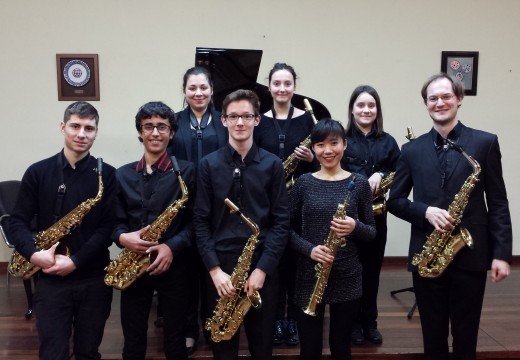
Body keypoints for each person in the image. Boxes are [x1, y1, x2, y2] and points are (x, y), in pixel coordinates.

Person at [387, 73, 513, 360]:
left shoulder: (485, 143)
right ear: (426, 104)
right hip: (427, 255)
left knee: (466, 335)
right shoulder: (411, 150)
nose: (440, 102)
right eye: (433, 98)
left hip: (470, 253)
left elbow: (498, 201)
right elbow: (394, 201)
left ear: (459, 99)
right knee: (432, 336)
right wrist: (425, 211)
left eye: (446, 96)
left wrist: (502, 253)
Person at [9, 101, 116, 360]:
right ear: (62, 127)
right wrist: (35, 255)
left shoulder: (107, 175)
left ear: (96, 132)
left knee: (88, 352)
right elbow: (17, 221)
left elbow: (107, 227)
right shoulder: (38, 172)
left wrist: (76, 261)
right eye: (75, 126)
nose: (81, 134)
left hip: (93, 278)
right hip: (50, 279)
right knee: (52, 353)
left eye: (89, 128)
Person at [194, 89, 290, 360]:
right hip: (221, 269)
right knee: (222, 347)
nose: (240, 123)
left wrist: (263, 269)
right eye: (233, 116)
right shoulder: (207, 165)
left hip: (261, 268)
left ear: (257, 120)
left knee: (262, 347)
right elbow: (200, 221)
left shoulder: (273, 165)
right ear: (222, 120)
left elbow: (281, 223)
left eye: (246, 116)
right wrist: (214, 270)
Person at [112, 101, 196, 360]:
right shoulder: (122, 174)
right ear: (140, 132)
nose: (155, 132)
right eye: (148, 126)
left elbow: (197, 223)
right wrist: (123, 237)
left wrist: (171, 246)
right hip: (134, 264)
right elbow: (115, 222)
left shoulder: (187, 171)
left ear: (172, 133)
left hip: (176, 264)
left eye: (162, 126)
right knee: (133, 339)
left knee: (175, 340)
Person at [289, 119, 376, 360]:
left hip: (347, 275)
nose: (327, 151)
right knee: (309, 349)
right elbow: (284, 230)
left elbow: (371, 231)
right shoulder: (303, 183)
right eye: (320, 145)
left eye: (334, 143)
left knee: (341, 347)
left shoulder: (359, 183)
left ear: (344, 145)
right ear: (313, 149)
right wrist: (309, 250)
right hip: (309, 274)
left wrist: (354, 225)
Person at [254, 62, 316, 346]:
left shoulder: (307, 120)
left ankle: (294, 319)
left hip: (301, 199)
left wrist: (310, 159)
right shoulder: (259, 120)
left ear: (294, 86)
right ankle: (276, 318)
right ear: (269, 86)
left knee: (297, 262)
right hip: (269, 200)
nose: (282, 89)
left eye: (287, 84)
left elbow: (324, 158)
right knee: (274, 261)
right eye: (277, 83)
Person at [166, 66, 228, 352]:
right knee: (187, 271)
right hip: (182, 203)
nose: (198, 93)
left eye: (203, 88)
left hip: (218, 204)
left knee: (214, 266)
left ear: (212, 90)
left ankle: (213, 323)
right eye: (192, 88)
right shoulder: (173, 122)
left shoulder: (224, 120)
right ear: (184, 91)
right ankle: (189, 327)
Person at [340, 85, 400, 345]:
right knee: (350, 269)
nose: (366, 110)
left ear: (377, 110)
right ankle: (351, 324)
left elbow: (401, 173)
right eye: (361, 105)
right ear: (352, 109)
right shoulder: (341, 139)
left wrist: (383, 175)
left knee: (372, 270)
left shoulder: (388, 141)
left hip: (377, 215)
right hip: (348, 216)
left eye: (371, 105)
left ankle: (369, 322)